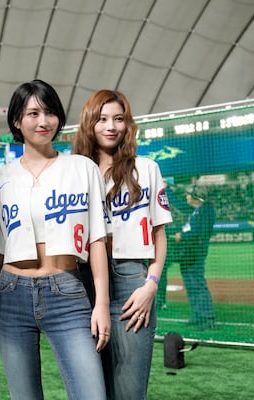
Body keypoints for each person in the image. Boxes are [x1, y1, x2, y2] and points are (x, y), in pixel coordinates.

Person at [0, 79, 110, 400]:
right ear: (16, 121)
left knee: (91, 394)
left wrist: (102, 305)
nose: (43, 122)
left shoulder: (82, 168)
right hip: (11, 294)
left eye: (50, 112)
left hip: (66, 292)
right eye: (33, 113)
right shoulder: (0, 178)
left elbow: (97, 242)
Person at [72, 89, 173, 399]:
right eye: (102, 119)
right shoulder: (74, 172)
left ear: (128, 125)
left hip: (132, 282)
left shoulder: (147, 168)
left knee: (129, 391)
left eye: (118, 118)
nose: (111, 126)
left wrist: (151, 285)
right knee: (92, 389)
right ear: (89, 123)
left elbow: (159, 235)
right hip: (83, 281)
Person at [175, 185, 216, 329]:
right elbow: (178, 204)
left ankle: (207, 317)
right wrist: (166, 190)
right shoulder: (195, 211)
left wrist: (182, 236)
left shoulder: (206, 210)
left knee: (198, 285)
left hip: (196, 253)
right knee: (191, 286)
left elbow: (200, 232)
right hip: (187, 254)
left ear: (196, 198)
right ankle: (197, 316)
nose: (186, 197)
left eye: (189, 195)